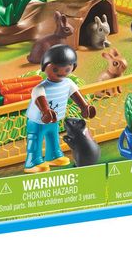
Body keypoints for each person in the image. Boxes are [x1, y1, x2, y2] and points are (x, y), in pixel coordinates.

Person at [24, 44, 96, 173]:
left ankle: (54, 156)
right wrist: (45, 111)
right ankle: (33, 162)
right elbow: (40, 99)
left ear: (73, 67)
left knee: (53, 136)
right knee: (35, 139)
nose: (61, 73)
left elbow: (76, 95)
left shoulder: (68, 83)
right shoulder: (40, 88)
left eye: (67, 69)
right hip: (37, 120)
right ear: (45, 67)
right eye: (56, 69)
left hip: (54, 118)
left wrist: (85, 107)